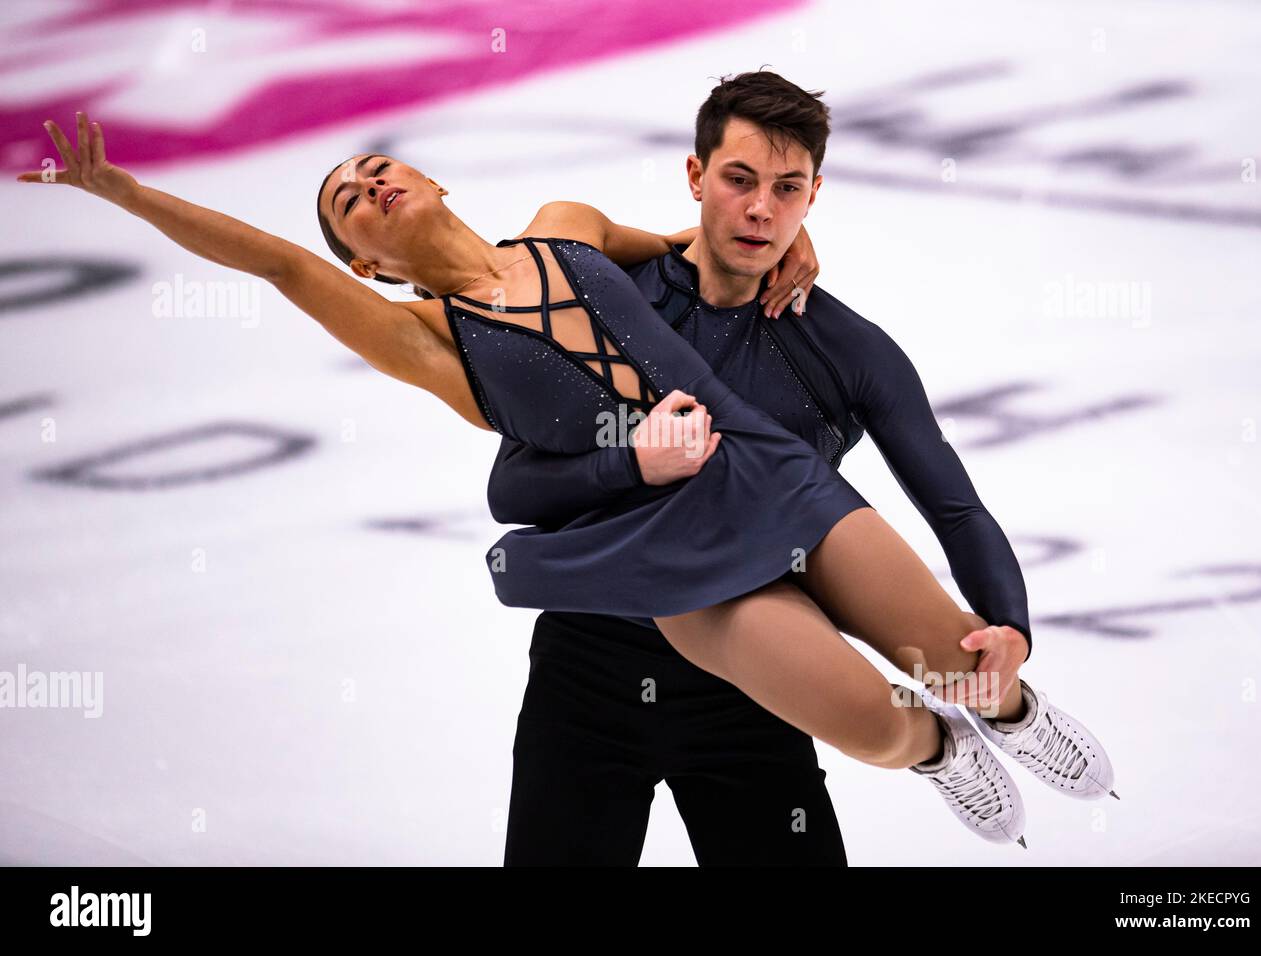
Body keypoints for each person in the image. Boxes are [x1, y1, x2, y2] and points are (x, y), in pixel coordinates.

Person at [20, 89, 1114, 853]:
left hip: (774, 475)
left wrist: (786, 244)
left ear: (428, 175)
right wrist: (128, 193)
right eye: (350, 201)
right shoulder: (431, 344)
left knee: (964, 655)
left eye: (375, 168)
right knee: (878, 724)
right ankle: (939, 750)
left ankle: (1012, 710)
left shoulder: (569, 224)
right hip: (676, 559)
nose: (368, 186)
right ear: (364, 259)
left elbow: (701, 247)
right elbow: (276, 263)